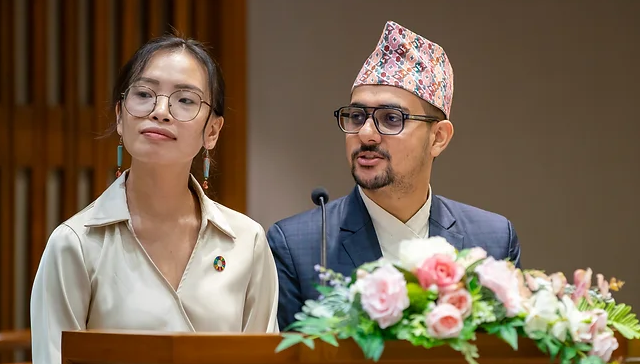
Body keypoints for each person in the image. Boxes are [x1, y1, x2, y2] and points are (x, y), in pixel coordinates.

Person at [30, 34, 279, 364]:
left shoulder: (247, 242)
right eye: (144, 94)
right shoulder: (75, 244)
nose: (160, 111)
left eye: (186, 100)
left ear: (213, 131)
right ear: (120, 116)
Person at [267, 20, 521, 330]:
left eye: (391, 118)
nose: (367, 134)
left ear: (438, 137)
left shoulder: (491, 241)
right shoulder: (298, 246)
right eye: (356, 116)